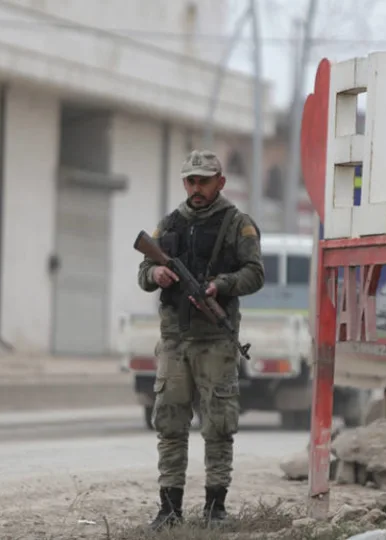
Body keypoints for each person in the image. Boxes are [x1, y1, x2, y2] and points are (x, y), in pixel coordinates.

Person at [137, 149, 265, 529]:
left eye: (204, 181)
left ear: (220, 182)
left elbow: (255, 274)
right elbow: (144, 270)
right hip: (175, 338)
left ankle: (215, 507)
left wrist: (220, 285)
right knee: (170, 422)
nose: (196, 188)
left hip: (215, 339)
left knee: (218, 425)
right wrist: (155, 273)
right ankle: (169, 508)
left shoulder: (237, 224)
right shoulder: (170, 223)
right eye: (190, 181)